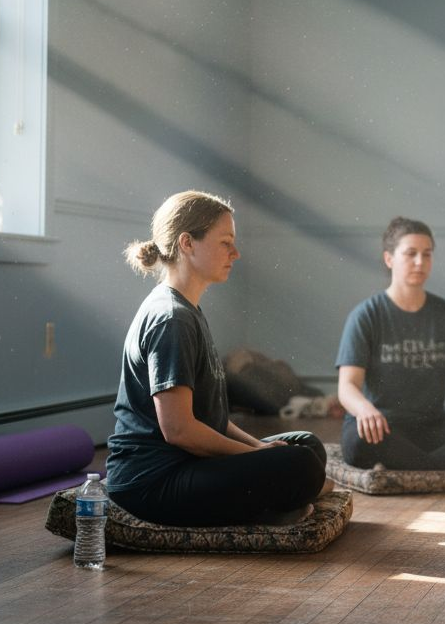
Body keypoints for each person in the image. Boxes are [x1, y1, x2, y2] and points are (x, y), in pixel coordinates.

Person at [106, 191, 329, 526]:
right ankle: (278, 505)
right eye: (226, 242)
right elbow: (179, 430)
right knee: (302, 467)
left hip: (188, 463)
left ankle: (279, 501)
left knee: (305, 446)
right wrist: (259, 457)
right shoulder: (172, 318)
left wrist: (260, 448)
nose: (235, 253)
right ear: (187, 243)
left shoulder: (188, 310)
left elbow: (211, 418)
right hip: (152, 482)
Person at [336, 217, 445, 471]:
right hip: (385, 427)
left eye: (426, 254)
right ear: (389, 259)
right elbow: (347, 386)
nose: (420, 262)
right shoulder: (366, 315)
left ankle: (414, 465)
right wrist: (364, 410)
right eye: (411, 254)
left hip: (433, 428)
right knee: (357, 440)